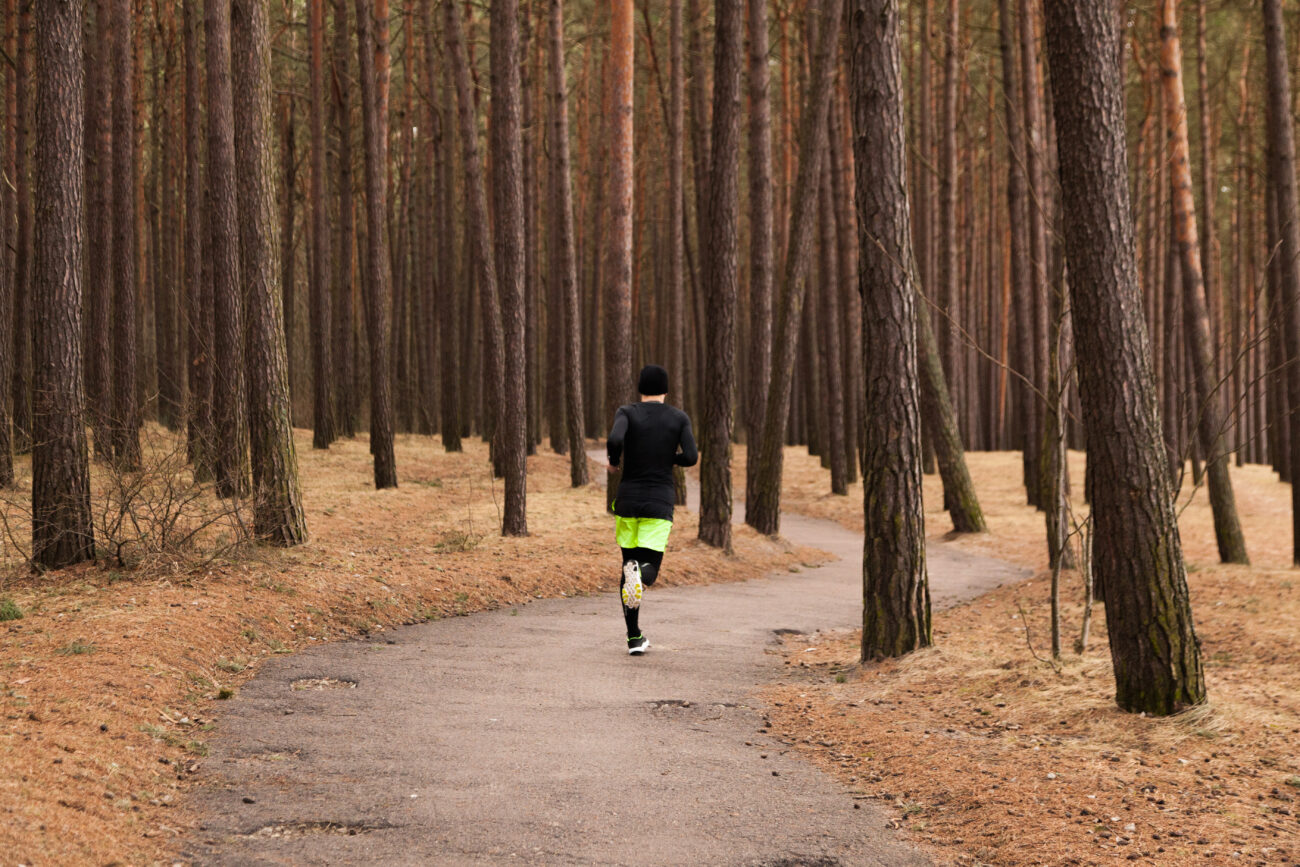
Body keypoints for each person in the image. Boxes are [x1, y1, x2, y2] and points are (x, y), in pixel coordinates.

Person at [606, 364, 698, 655]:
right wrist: (670, 459)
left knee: (627, 566)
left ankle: (634, 637)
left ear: (640, 389)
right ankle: (641, 574)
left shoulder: (626, 412)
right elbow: (692, 457)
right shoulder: (678, 418)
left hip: (628, 500)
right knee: (649, 568)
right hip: (658, 501)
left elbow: (615, 439)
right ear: (666, 390)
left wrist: (613, 459)